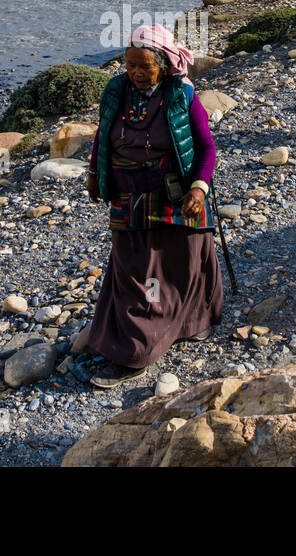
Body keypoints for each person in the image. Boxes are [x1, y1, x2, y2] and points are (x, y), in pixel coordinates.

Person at [83, 22, 223, 388]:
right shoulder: (117, 91)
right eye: (130, 66)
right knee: (135, 269)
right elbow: (103, 129)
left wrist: (199, 188)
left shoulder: (182, 94)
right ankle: (134, 348)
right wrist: (95, 171)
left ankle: (190, 322)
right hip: (128, 191)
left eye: (145, 66)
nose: (137, 73)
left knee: (183, 259)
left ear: (164, 63)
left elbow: (206, 147)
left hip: (174, 191)